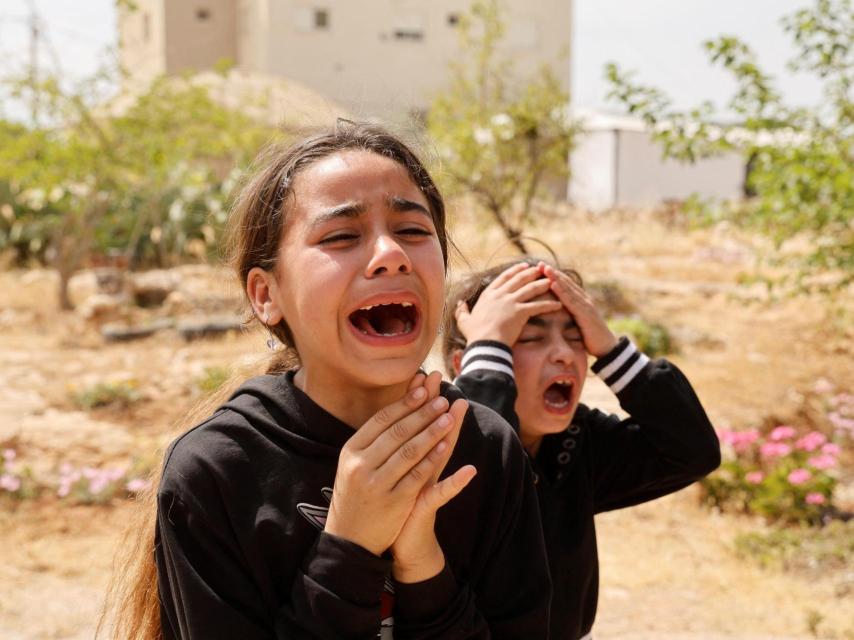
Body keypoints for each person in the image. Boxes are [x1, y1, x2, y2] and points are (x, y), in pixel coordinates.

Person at [100, 124, 550, 640]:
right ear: (266, 295)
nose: (391, 254)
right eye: (341, 236)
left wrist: (423, 566)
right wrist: (348, 550)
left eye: (412, 230)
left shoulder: (486, 449)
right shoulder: (218, 472)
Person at [442, 258, 721, 640]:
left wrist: (610, 348)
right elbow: (480, 476)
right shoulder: (440, 443)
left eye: (577, 338)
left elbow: (692, 451)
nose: (564, 354)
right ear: (470, 362)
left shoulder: (576, 441)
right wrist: (488, 348)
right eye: (530, 338)